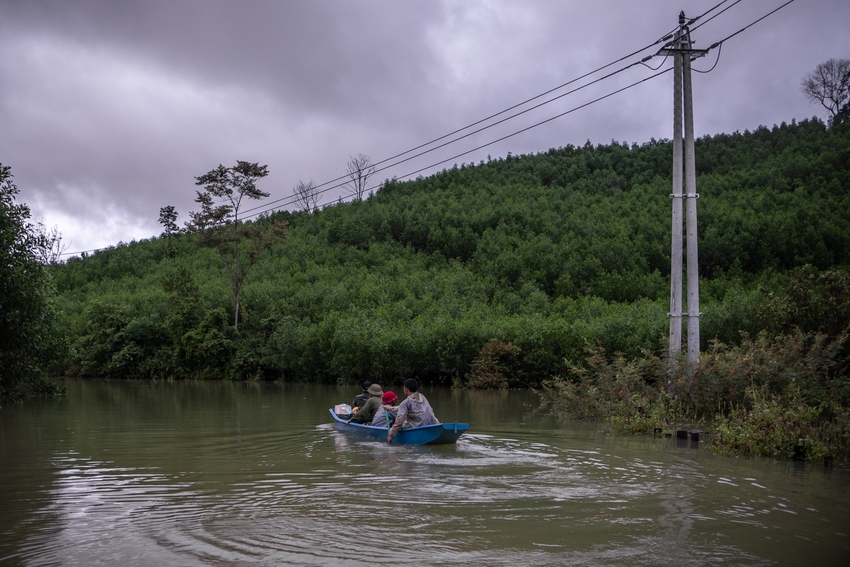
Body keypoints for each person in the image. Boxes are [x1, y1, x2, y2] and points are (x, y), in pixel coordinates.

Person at [387, 379, 439, 443]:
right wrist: (392, 408)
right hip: (433, 424)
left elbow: (399, 421)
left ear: (406, 389)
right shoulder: (422, 397)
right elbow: (402, 407)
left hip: (419, 426)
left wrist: (391, 434)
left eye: (403, 388)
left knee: (401, 424)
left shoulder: (406, 402)